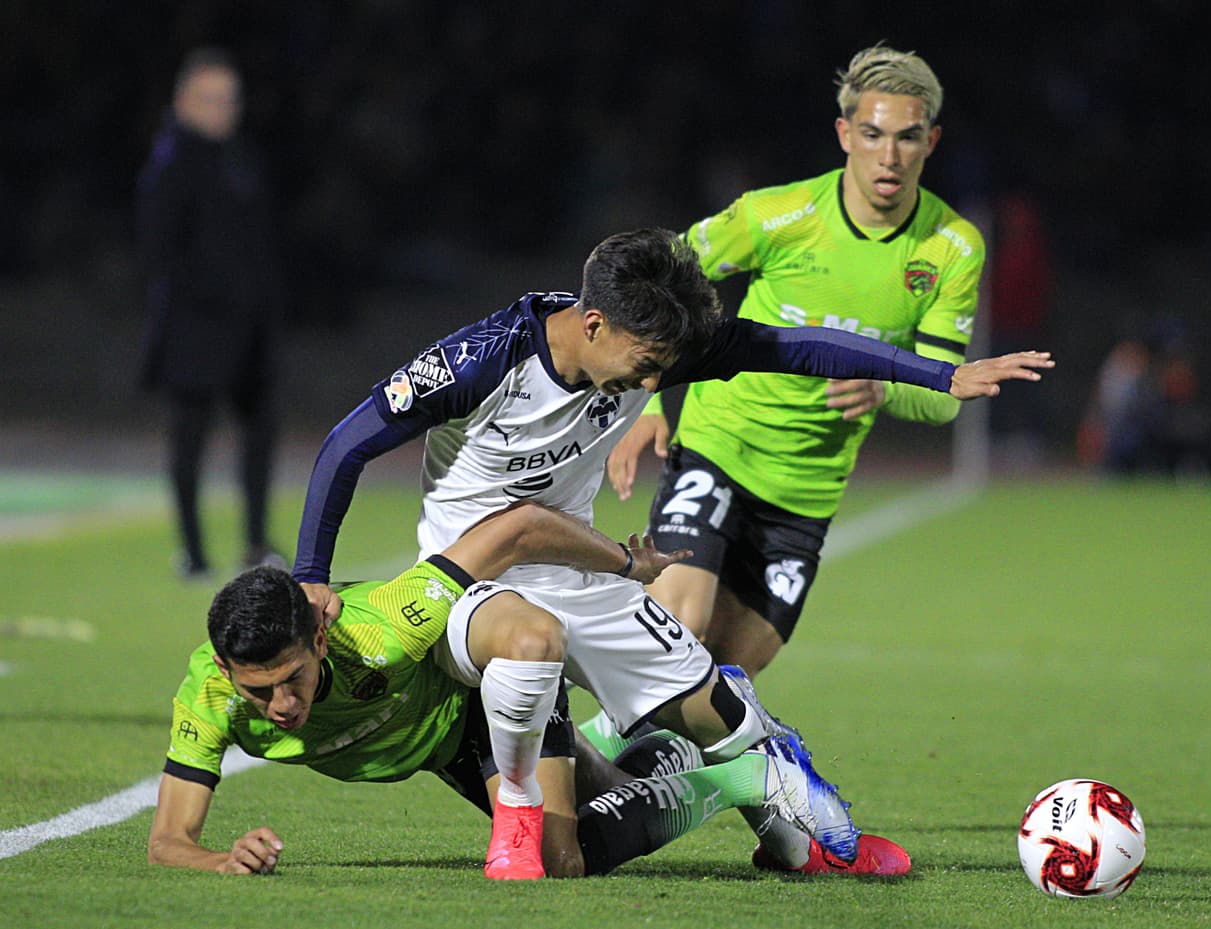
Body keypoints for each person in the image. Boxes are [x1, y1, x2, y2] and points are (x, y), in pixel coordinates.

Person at [290, 227, 1051, 877]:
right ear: (592, 325)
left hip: (584, 569)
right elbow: (344, 445)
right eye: (645, 365)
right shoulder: (481, 363)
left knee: (728, 718)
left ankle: (797, 843)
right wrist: (311, 576)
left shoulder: (649, 340)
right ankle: (644, 794)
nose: (653, 383)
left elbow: (792, 347)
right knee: (562, 854)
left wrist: (942, 374)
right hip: (477, 589)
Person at [148, 501, 906, 877]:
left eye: (292, 680)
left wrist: (623, 561)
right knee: (610, 789)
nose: (279, 705)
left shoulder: (387, 622)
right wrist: (221, 858)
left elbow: (514, 530)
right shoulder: (210, 695)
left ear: (318, 635)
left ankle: (746, 772)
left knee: (573, 857)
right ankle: (649, 746)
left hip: (480, 708)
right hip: (436, 751)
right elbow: (167, 841)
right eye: (259, 692)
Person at [602, 46, 991, 685]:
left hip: (806, 493)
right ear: (845, 134)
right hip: (718, 446)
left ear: (931, 141)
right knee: (677, 627)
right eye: (872, 135)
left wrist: (884, 389)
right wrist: (644, 401)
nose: (888, 156)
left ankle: (624, 769)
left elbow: (945, 393)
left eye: (906, 137)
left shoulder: (952, 247)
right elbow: (650, 282)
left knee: (726, 680)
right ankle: (576, 768)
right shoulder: (776, 216)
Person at [136, 47, 286, 579]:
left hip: (248, 327)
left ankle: (254, 543)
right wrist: (213, 296)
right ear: (182, 101)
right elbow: (159, 252)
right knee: (189, 438)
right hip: (195, 329)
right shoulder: (171, 161)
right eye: (210, 99)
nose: (222, 109)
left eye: (229, 99)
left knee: (261, 432)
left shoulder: (242, 158)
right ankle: (193, 550)